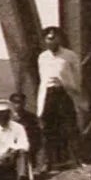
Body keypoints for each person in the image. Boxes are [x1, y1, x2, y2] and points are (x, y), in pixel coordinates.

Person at [37, 26, 84, 170]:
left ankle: (77, 159)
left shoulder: (70, 56)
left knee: (70, 126)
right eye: (48, 38)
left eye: (54, 37)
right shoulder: (42, 57)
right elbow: (42, 77)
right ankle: (49, 162)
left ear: (60, 39)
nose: (51, 41)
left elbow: (77, 76)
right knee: (48, 129)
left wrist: (68, 86)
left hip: (65, 93)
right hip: (48, 94)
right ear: (45, 40)